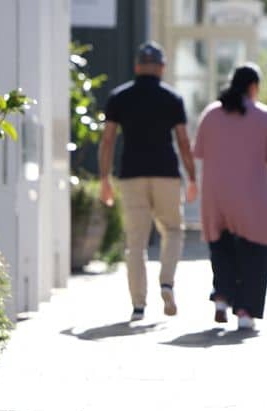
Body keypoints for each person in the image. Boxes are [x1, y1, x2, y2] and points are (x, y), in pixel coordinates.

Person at [99, 41, 197, 322]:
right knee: (174, 231)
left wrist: (104, 178)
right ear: (162, 68)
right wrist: (192, 177)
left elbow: (107, 140)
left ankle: (138, 305)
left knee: (136, 243)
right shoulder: (172, 98)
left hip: (131, 175)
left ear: (137, 67)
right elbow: (183, 141)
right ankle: (166, 282)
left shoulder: (119, 97)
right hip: (166, 173)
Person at [193, 64, 267, 330]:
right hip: (252, 194)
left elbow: (199, 151)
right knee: (254, 251)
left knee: (220, 246)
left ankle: (221, 296)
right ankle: (245, 311)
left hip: (216, 193)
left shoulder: (210, 114)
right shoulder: (265, 116)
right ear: (253, 87)